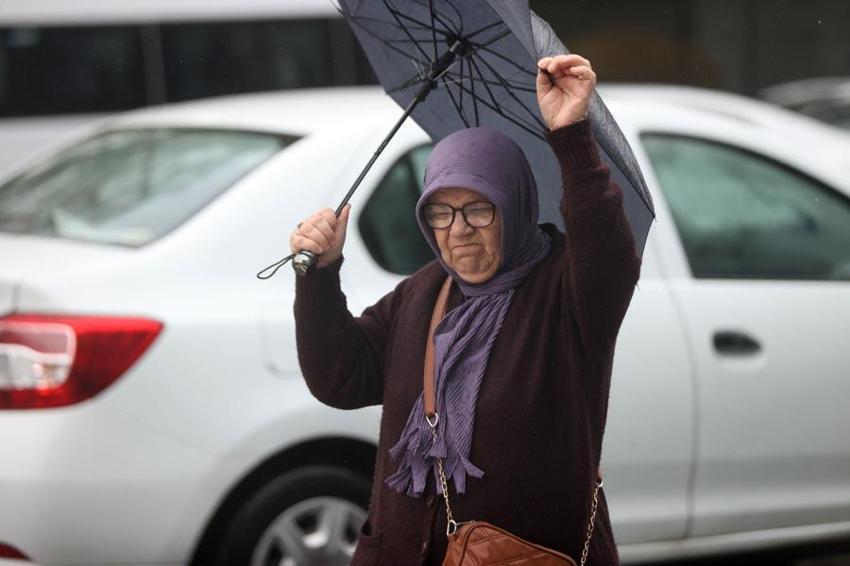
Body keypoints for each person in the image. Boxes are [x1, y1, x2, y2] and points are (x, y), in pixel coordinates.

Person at [290, 54, 640, 565]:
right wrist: (319, 276)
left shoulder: (565, 292)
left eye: (478, 209)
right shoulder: (424, 292)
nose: (457, 230)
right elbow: (339, 378)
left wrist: (570, 135)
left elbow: (608, 255)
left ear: (514, 206)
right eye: (440, 211)